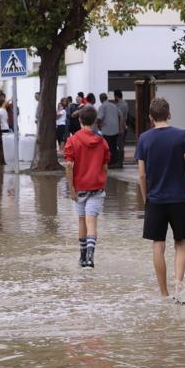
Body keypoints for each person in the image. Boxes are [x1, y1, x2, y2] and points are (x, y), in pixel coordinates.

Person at [135, 97, 185, 304]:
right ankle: (179, 288)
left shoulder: (144, 138)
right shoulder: (182, 136)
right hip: (180, 198)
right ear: (169, 114)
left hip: (155, 199)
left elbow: (141, 175)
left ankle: (163, 293)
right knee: (180, 244)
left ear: (151, 117)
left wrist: (146, 197)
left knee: (158, 245)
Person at [64, 106, 110, 268]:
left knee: (82, 221)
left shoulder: (72, 141)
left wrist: (71, 188)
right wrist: (102, 179)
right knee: (92, 223)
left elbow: (69, 165)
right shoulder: (102, 142)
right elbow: (105, 166)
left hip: (79, 188)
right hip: (97, 187)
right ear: (95, 121)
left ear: (80, 120)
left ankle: (82, 257)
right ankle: (90, 257)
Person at [97, 93, 121, 167]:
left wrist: (98, 126)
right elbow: (121, 114)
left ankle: (108, 162)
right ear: (106, 98)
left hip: (106, 131)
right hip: (115, 130)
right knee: (113, 147)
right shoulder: (114, 105)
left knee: (107, 147)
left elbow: (99, 118)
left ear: (100, 99)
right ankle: (113, 162)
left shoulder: (102, 107)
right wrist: (120, 126)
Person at [114, 90, 129, 167]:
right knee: (121, 144)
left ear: (116, 96)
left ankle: (119, 162)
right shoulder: (125, 103)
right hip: (124, 126)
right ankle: (120, 161)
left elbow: (120, 117)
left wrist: (120, 128)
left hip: (120, 127)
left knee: (119, 145)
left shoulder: (119, 105)